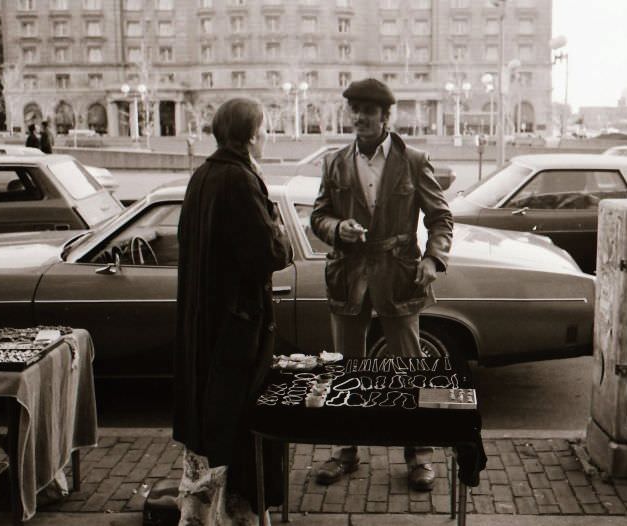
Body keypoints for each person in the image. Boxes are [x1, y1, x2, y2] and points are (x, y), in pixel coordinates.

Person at [310, 78, 453, 491]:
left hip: (400, 276)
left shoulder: (413, 160)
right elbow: (318, 217)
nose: (360, 119)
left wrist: (433, 257)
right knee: (347, 370)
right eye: (354, 111)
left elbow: (441, 218)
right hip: (349, 277)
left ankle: (419, 456)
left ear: (385, 117)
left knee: (408, 369)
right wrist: (338, 228)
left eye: (368, 112)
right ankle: (344, 452)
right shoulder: (335, 162)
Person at [173, 97, 292, 525]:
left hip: (206, 323)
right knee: (238, 427)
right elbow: (272, 253)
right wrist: (276, 224)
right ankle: (236, 515)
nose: (268, 137)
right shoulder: (242, 180)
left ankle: (200, 513)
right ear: (251, 136)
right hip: (236, 331)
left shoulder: (202, 175)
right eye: (266, 130)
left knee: (208, 424)